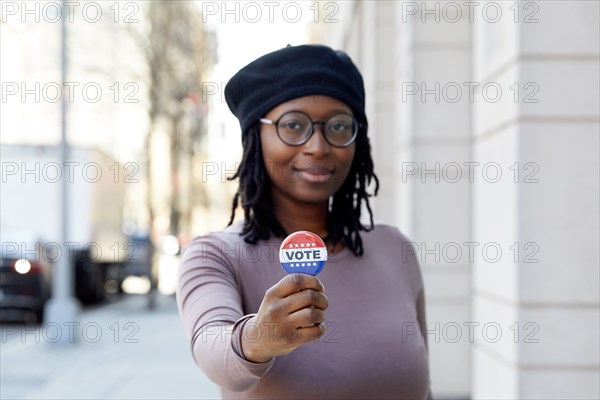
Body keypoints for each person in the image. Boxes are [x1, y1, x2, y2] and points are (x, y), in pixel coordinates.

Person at [177, 44, 432, 399]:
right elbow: (215, 355)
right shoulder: (215, 255)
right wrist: (259, 338)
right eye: (293, 125)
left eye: (339, 126)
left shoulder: (395, 248)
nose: (318, 146)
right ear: (256, 137)